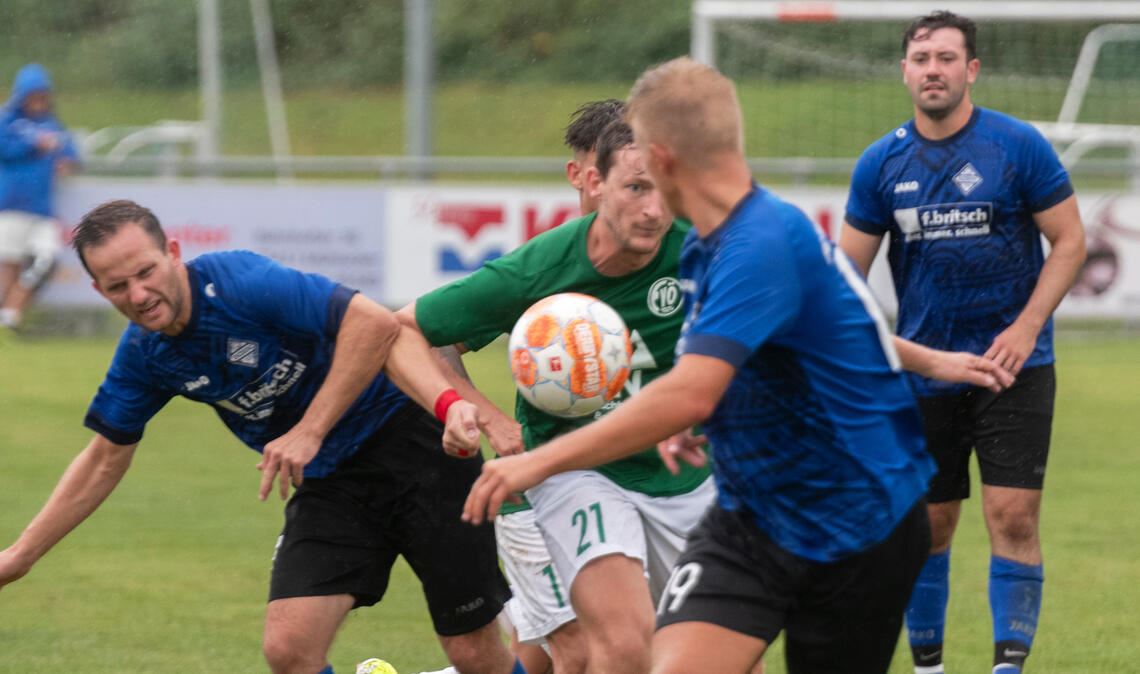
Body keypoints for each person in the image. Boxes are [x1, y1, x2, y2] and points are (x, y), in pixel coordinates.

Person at [461, 57, 940, 674]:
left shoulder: (760, 242)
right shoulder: (704, 241)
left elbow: (689, 390)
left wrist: (537, 458)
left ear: (661, 157)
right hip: (751, 515)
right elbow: (738, 365)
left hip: (858, 518)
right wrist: (709, 412)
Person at [0, 199, 525, 674]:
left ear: (174, 253)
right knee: (290, 650)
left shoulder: (240, 284)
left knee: (474, 656)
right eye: (118, 287)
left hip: (417, 447)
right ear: (97, 290)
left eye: (146, 272)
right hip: (334, 483)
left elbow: (374, 325)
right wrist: (20, 556)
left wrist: (309, 430)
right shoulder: (144, 354)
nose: (139, 295)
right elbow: (103, 460)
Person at [398, 116, 716, 674]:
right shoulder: (538, 270)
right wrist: (475, 412)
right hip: (570, 471)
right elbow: (405, 330)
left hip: (683, 475)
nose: (651, 209)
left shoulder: (702, 247)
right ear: (594, 181)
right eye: (635, 187)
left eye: (662, 189)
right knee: (611, 646)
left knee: (720, 657)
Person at [839, 11, 1086, 674]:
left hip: (1016, 366)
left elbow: (1070, 241)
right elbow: (843, 277)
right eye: (922, 59)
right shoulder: (881, 163)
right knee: (930, 528)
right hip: (925, 374)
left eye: (947, 58)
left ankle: (1008, 668)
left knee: (1013, 518)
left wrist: (1028, 323)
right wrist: (881, 348)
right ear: (905, 72)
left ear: (970, 69)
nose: (934, 70)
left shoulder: (1017, 146)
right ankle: (930, 669)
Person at [0, 63, 78, 332]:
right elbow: (5, 149)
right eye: (33, 95)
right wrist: (34, 144)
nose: (38, 101)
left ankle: (12, 309)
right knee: (8, 265)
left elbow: (71, 150)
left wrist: (67, 160)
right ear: (21, 95)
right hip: (10, 205)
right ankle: (7, 323)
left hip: (41, 208)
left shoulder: (52, 124)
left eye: (42, 95)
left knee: (46, 259)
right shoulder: (7, 120)